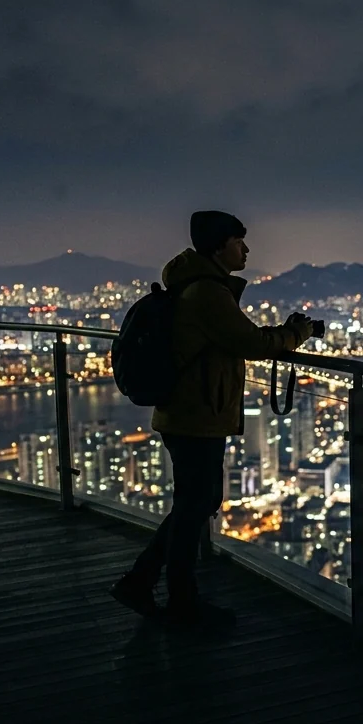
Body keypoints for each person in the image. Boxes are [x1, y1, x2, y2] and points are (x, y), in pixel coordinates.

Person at [109, 210, 313, 627]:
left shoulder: (197, 287)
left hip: (188, 412)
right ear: (220, 246)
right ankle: (175, 599)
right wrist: (297, 334)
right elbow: (251, 342)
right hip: (195, 416)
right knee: (196, 504)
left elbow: (231, 338)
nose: (247, 249)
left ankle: (147, 583)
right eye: (240, 241)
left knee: (193, 504)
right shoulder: (206, 292)